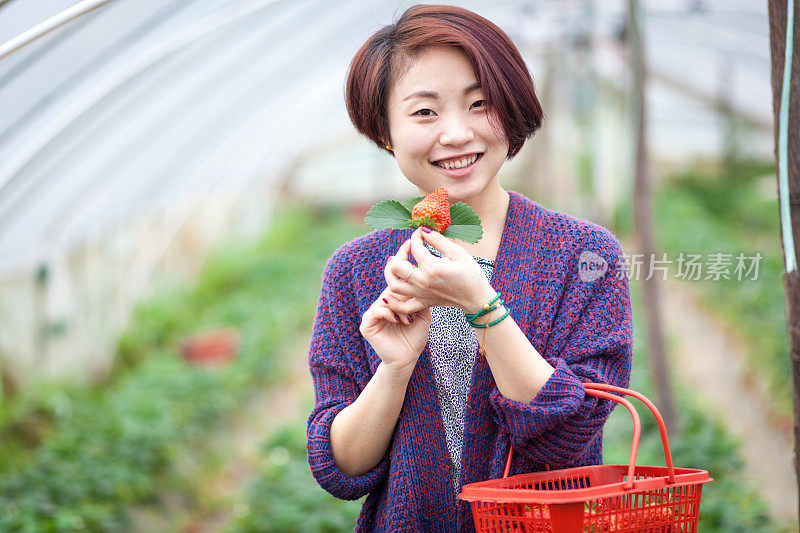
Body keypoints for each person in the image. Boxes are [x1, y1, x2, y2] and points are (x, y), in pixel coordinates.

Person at [306, 4, 633, 531]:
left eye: (480, 104)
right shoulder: (357, 270)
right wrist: (393, 369)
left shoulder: (584, 255)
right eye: (424, 112)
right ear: (385, 131)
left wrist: (484, 308)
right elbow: (343, 467)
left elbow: (573, 437)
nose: (457, 134)